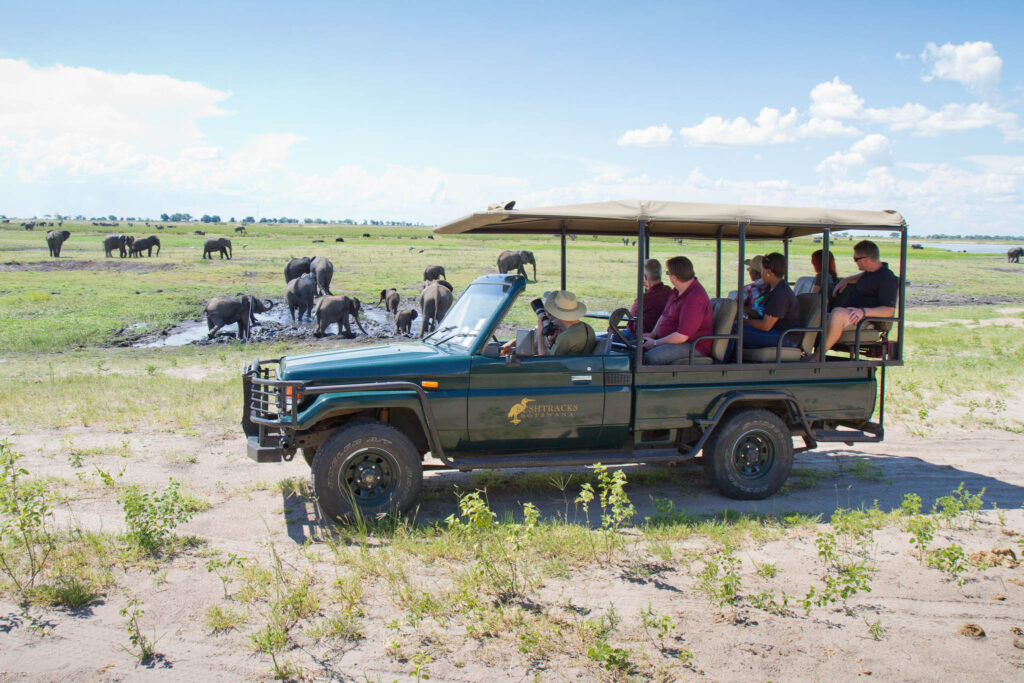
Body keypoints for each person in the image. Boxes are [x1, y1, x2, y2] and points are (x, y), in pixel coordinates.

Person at [823, 240, 899, 353]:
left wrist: (863, 312)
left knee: (838, 313)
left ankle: (818, 356)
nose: (855, 262)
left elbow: (888, 311)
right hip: (852, 314)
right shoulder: (870, 272)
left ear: (866, 260)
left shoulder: (887, 278)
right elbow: (865, 275)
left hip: (864, 320)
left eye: (856, 259)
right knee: (815, 315)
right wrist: (847, 280)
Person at [726, 252, 801, 359]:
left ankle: (721, 364)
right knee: (732, 325)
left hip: (785, 337)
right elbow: (762, 314)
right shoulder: (771, 289)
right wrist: (741, 310)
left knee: (735, 329)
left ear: (768, 272)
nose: (761, 274)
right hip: (775, 331)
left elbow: (765, 325)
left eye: (762, 270)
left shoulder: (780, 294)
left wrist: (743, 321)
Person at [642, 256, 714, 364]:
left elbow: (682, 336)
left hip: (692, 345)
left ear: (674, 278)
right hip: (673, 341)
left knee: (649, 357)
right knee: (634, 348)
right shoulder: (677, 291)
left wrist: (655, 343)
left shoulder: (695, 298)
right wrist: (653, 334)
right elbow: (664, 315)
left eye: (668, 273)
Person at [501, 290, 595, 357]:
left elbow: (544, 358)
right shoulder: (588, 329)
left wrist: (541, 334)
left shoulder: (565, 337)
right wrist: (550, 342)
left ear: (557, 314)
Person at [624, 258, 672, 342]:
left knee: (598, 340)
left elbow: (630, 320)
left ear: (645, 277)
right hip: (656, 335)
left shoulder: (644, 299)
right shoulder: (669, 292)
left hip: (637, 337)